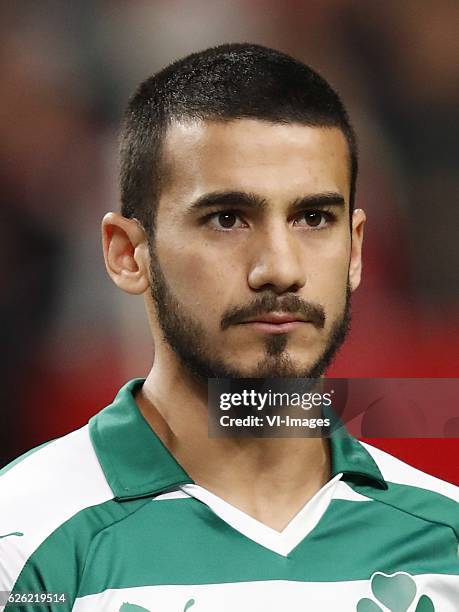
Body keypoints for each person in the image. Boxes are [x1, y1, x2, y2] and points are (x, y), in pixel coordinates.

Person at [1, 43, 458, 612]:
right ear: (128, 253)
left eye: (313, 218)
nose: (281, 269)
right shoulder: (21, 544)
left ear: (356, 250)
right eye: (227, 219)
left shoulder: (447, 541)